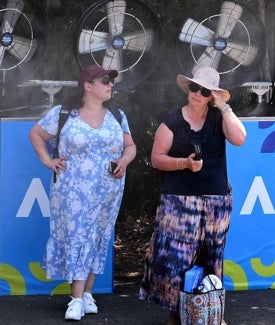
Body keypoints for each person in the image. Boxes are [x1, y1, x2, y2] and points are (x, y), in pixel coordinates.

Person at [138, 66, 246, 325]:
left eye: (204, 90)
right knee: (176, 261)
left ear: (212, 96)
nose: (197, 92)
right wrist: (183, 163)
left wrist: (224, 106)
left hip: (216, 200)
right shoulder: (173, 119)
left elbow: (240, 138)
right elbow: (156, 159)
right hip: (178, 200)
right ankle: (176, 315)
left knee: (212, 257)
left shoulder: (218, 118)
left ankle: (211, 314)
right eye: (194, 87)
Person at [29, 64, 137, 321]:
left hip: (107, 190)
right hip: (71, 191)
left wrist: (124, 161)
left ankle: (87, 293)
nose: (111, 85)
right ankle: (75, 299)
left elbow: (130, 146)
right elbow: (36, 134)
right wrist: (47, 161)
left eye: (111, 81)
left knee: (98, 236)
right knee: (78, 235)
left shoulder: (118, 116)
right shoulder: (64, 113)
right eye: (104, 81)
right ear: (88, 86)